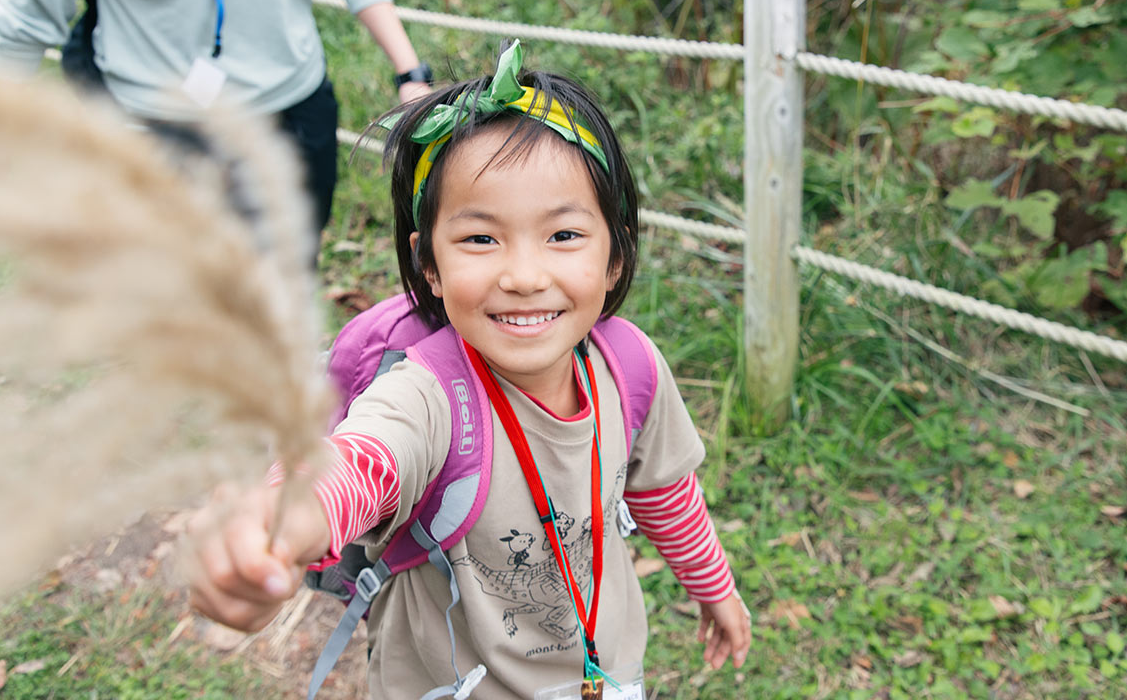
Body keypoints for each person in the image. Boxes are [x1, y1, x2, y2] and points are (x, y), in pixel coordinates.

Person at [186, 41, 751, 699]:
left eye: (564, 235)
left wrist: (715, 588)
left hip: (605, 674)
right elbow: (359, 465)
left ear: (615, 255)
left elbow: (662, 493)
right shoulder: (426, 396)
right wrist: (277, 523)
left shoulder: (630, 370)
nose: (523, 276)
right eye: (480, 238)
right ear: (430, 263)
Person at [0, 0, 432, 236]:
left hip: (292, 123)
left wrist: (410, 72)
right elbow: (21, 20)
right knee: (185, 313)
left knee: (283, 290)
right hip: (154, 142)